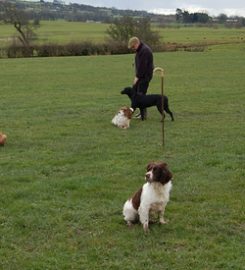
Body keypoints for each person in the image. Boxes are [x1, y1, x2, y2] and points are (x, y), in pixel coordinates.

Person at [128, 36, 154, 119]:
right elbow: (139, 59)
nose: (133, 49)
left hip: (145, 76)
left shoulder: (145, 51)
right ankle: (140, 112)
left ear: (137, 43)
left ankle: (143, 114)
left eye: (133, 47)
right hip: (141, 75)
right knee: (136, 93)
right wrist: (135, 62)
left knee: (141, 95)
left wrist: (137, 77)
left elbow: (143, 66)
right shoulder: (140, 49)